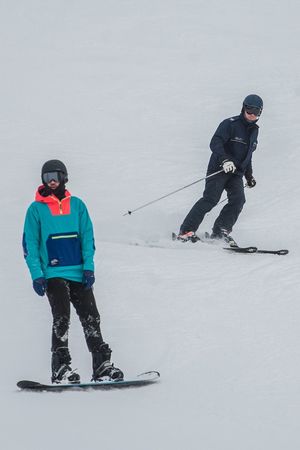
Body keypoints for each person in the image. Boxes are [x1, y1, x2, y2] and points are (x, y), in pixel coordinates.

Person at [22, 159, 123, 384]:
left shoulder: (77, 205)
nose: (52, 181)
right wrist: (37, 274)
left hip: (79, 272)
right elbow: (29, 243)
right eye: (47, 177)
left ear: (64, 177)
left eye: (55, 176)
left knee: (91, 317)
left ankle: (102, 366)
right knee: (62, 318)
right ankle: (60, 367)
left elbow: (88, 238)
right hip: (53, 273)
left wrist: (89, 267)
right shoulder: (35, 209)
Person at [177, 94, 263, 244]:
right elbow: (215, 143)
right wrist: (225, 160)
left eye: (256, 113)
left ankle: (220, 231)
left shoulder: (254, 130)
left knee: (238, 200)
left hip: (236, 173)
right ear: (243, 108)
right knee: (210, 199)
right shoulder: (230, 124)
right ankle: (186, 231)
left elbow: (248, 155)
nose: (252, 116)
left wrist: (249, 176)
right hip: (220, 168)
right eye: (249, 111)